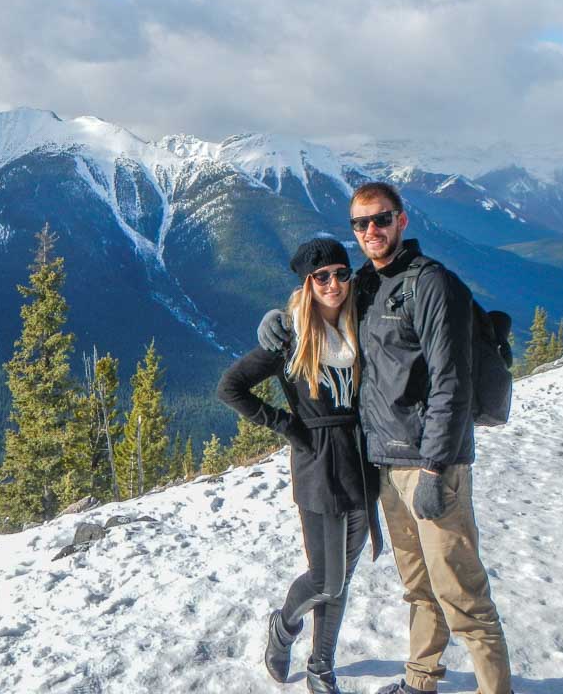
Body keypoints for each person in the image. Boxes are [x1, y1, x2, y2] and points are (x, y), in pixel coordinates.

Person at [259, 182, 514, 694]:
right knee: (419, 588)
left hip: (429, 464)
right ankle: (421, 681)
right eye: (361, 223)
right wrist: (278, 319)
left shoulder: (431, 285)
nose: (371, 230)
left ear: (402, 220)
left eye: (381, 219)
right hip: (385, 464)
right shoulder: (367, 286)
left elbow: (451, 383)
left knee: (463, 595)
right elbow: (320, 303)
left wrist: (435, 468)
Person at [217, 237, 382, 694]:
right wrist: (287, 425)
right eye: (321, 277)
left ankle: (321, 667)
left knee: (341, 579)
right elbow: (231, 387)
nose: (333, 284)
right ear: (307, 284)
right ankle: (284, 625)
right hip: (319, 467)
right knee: (326, 578)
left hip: (362, 463)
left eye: (341, 274)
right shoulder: (290, 337)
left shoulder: (360, 324)